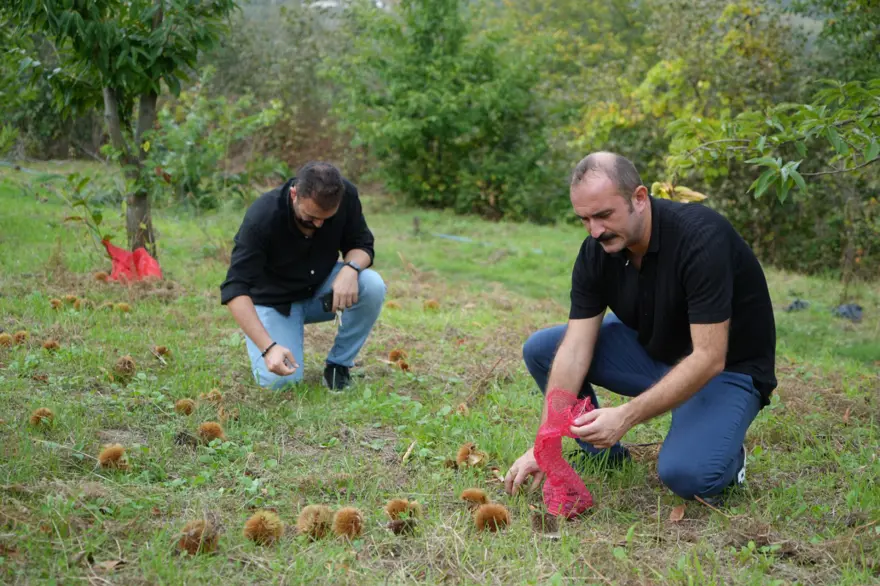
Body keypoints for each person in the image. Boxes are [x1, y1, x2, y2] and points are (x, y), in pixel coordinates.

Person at [504, 152, 777, 503]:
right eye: (584, 219)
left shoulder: (701, 239)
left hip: (727, 370)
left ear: (639, 198)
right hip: (658, 353)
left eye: (604, 215)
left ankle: (726, 451)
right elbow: (574, 350)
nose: (596, 230)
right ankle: (603, 455)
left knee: (688, 476)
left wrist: (626, 416)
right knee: (545, 350)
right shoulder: (596, 252)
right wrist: (547, 442)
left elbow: (710, 357)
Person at [220, 161, 385, 391]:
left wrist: (351, 269)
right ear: (294, 194)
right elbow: (234, 288)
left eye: (326, 219)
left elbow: (362, 244)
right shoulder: (263, 216)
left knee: (372, 285)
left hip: (320, 292)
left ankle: (339, 365)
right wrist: (268, 348)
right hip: (275, 302)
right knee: (282, 383)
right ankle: (274, 337)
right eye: (310, 217)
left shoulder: (347, 196)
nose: (318, 224)